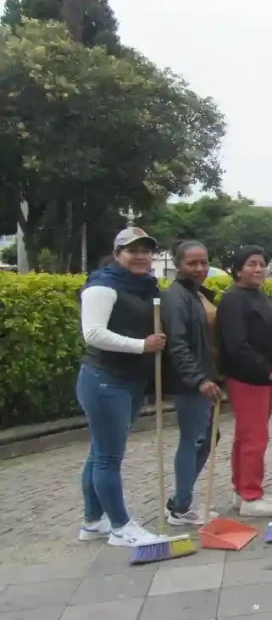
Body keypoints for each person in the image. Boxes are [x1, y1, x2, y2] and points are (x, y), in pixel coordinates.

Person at [77, 227, 166, 547]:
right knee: (107, 458)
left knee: (98, 454)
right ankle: (119, 527)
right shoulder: (102, 287)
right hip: (104, 380)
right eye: (132, 251)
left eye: (146, 250)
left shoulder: (144, 286)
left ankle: (92, 522)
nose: (141, 256)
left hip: (128, 381)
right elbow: (94, 334)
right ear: (117, 255)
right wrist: (142, 345)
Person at [218, 246, 272, 517]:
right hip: (248, 378)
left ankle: (242, 490)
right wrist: (268, 370)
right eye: (251, 264)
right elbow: (236, 345)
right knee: (254, 438)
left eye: (262, 264)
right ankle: (251, 495)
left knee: (246, 436)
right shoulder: (233, 300)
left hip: (261, 379)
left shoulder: (260, 296)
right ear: (238, 270)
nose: (259, 269)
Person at [161, 240, 221, 526]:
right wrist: (199, 379)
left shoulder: (196, 294)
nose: (199, 268)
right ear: (178, 264)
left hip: (203, 378)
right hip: (190, 383)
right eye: (192, 263)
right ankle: (180, 506)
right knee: (194, 439)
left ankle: (180, 500)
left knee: (209, 438)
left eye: (203, 262)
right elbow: (178, 344)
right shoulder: (176, 297)